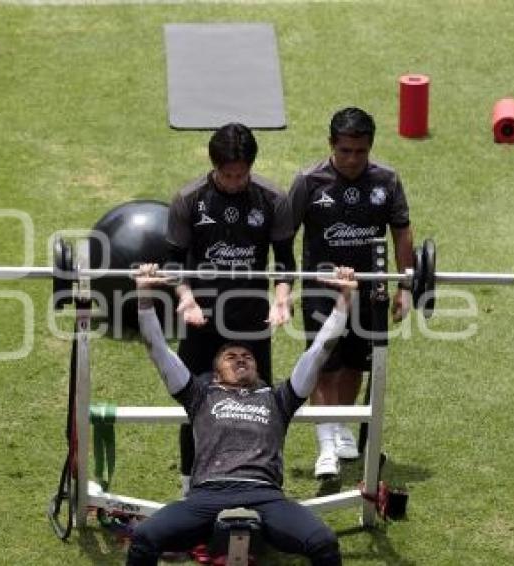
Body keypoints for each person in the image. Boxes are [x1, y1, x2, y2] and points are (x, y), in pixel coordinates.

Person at [126, 264, 355, 566]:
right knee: (144, 539)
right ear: (216, 372)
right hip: (207, 494)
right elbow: (157, 348)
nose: (241, 359)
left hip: (265, 494)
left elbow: (319, 352)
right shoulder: (200, 394)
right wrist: (144, 294)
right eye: (230, 357)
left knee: (324, 543)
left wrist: (345, 300)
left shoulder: (278, 398)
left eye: (247, 357)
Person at [166, 122, 296, 495]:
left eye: (242, 174)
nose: (236, 181)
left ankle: (265, 484)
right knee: (195, 404)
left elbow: (285, 260)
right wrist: (186, 299)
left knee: (261, 406)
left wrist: (282, 297)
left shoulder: (272, 199)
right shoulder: (189, 200)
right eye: (228, 175)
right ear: (214, 166)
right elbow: (174, 262)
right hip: (202, 318)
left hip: (251, 319)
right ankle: (189, 486)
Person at [288, 107, 414, 478]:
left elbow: (402, 230)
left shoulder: (387, 181)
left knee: (356, 364)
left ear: (370, 147)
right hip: (320, 290)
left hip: (370, 291)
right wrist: (283, 288)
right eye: (345, 151)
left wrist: (404, 285)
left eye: (360, 151)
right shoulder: (309, 182)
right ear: (331, 145)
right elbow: (283, 235)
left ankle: (342, 428)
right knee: (324, 366)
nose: (352, 159)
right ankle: (325, 445)